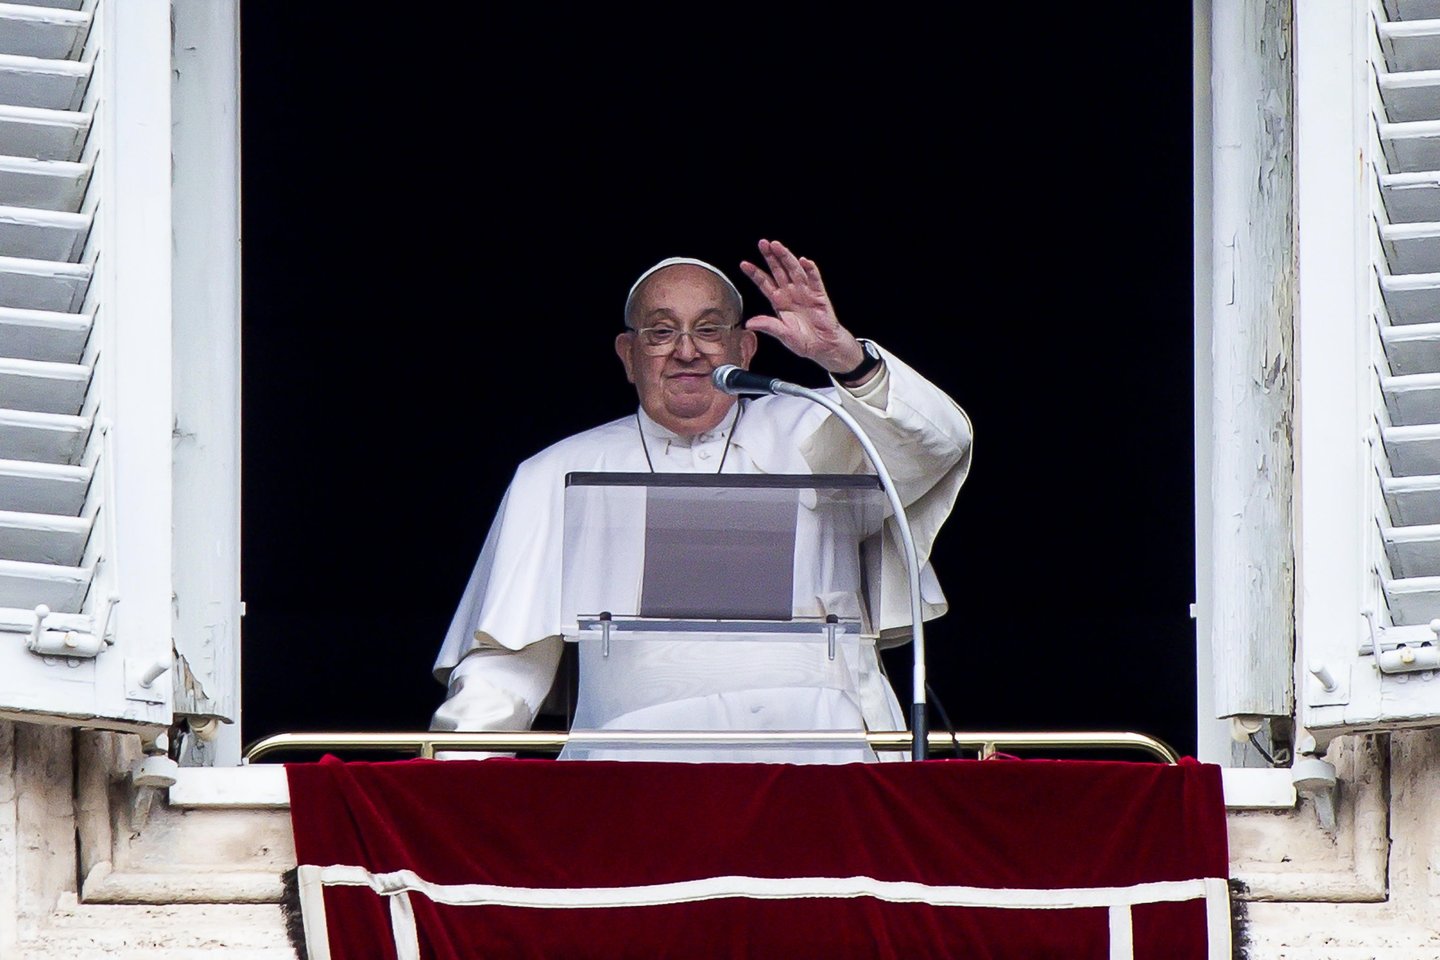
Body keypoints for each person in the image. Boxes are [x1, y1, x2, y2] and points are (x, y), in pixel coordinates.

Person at [431, 239, 972, 746]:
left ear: (745, 348)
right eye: (661, 332)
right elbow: (508, 658)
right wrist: (456, 775)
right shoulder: (556, 472)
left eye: (709, 330)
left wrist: (846, 359)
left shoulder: (823, 424)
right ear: (627, 354)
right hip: (635, 762)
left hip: (822, 751)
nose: (687, 351)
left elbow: (939, 443)